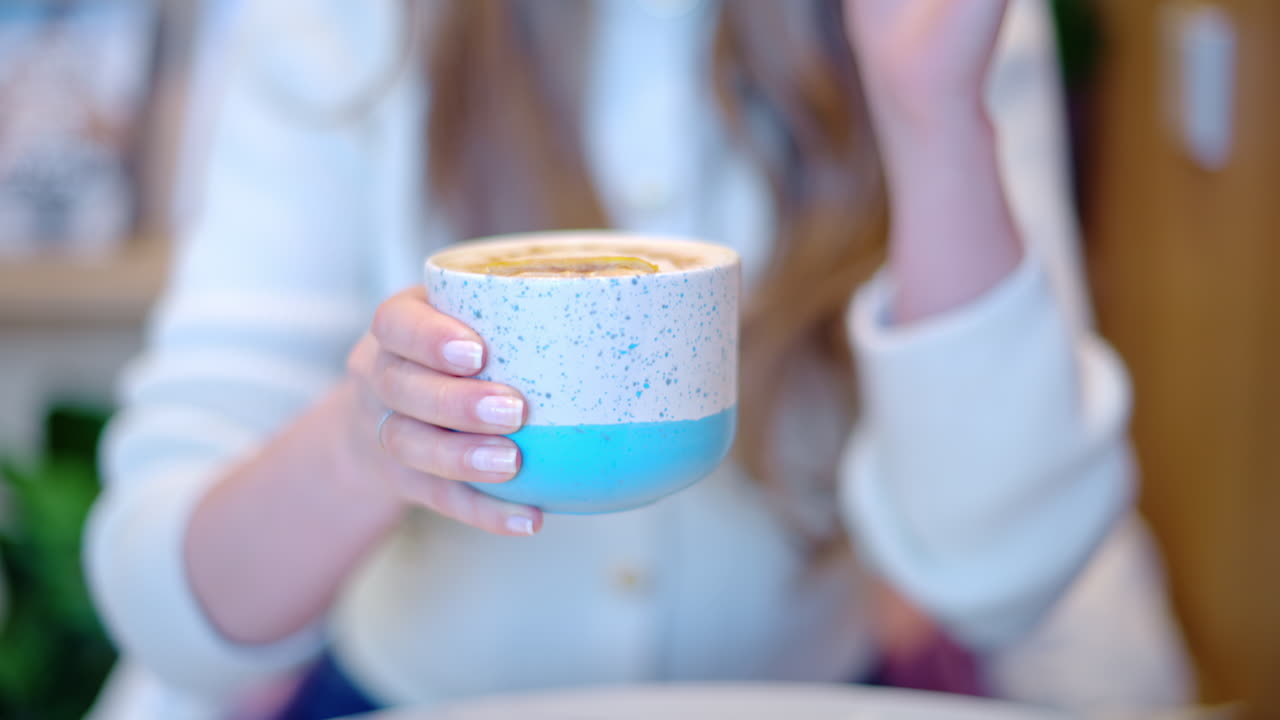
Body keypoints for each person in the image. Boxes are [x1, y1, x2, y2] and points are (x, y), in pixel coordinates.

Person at [85, 1, 1192, 718]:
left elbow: (1008, 572)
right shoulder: (341, 27)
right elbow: (165, 597)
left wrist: (929, 109)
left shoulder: (949, 25)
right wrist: (362, 441)